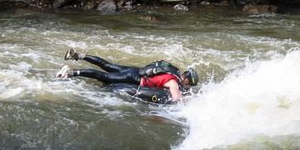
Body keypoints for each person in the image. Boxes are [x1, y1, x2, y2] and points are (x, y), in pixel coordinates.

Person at [55, 49, 199, 101]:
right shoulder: (174, 82)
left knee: (107, 65)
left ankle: (77, 55)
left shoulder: (174, 70)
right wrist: (188, 100)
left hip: (136, 70)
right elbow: (177, 99)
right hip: (135, 78)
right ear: (186, 81)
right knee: (102, 76)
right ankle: (70, 72)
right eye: (189, 84)